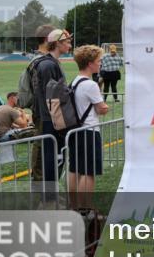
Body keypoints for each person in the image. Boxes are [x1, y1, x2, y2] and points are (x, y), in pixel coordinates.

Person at [29, 27, 73, 194]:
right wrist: (61, 124)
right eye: (67, 42)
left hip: (52, 119)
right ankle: (48, 199)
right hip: (50, 121)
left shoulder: (50, 63)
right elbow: (52, 98)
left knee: (55, 159)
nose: (70, 45)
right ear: (58, 43)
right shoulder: (47, 65)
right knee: (51, 160)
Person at [68, 45, 109, 209]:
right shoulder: (91, 85)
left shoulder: (75, 81)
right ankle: (86, 207)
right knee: (89, 171)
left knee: (75, 169)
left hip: (76, 131)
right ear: (90, 63)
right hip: (90, 131)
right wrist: (106, 107)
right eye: (98, 61)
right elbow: (101, 108)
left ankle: (74, 205)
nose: (100, 64)